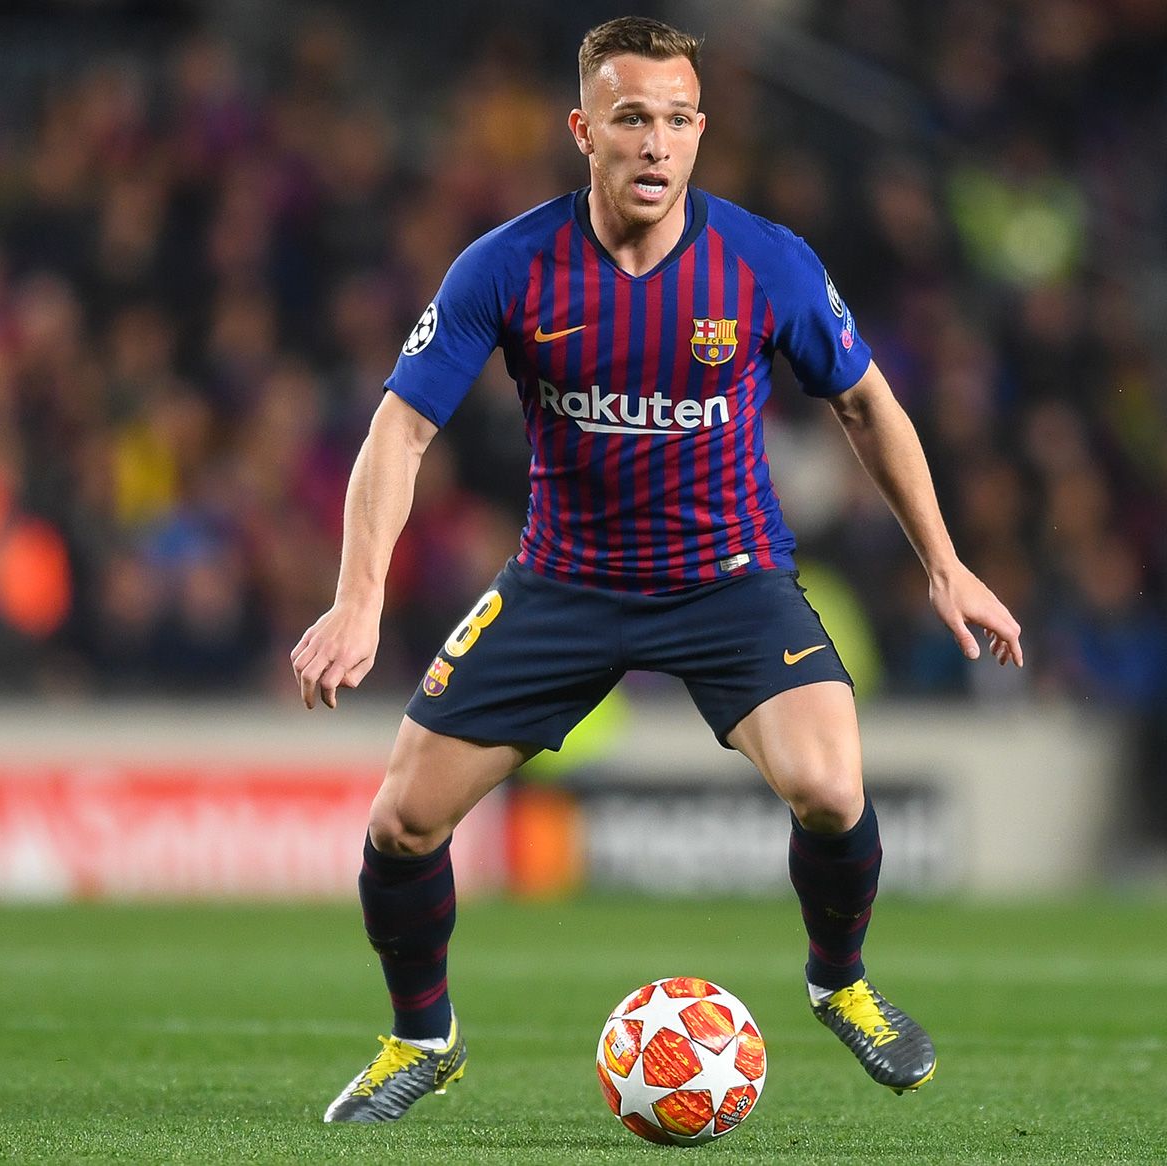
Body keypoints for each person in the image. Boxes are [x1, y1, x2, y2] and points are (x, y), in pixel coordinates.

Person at [291, 16, 1023, 1124]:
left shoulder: (764, 263)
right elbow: (400, 430)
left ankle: (840, 983)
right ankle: (422, 1038)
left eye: (678, 120)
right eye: (631, 118)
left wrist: (946, 563)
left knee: (833, 791)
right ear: (584, 131)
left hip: (730, 581)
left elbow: (867, 404)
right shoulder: (507, 266)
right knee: (401, 823)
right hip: (562, 584)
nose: (656, 142)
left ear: (700, 133)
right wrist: (360, 599)